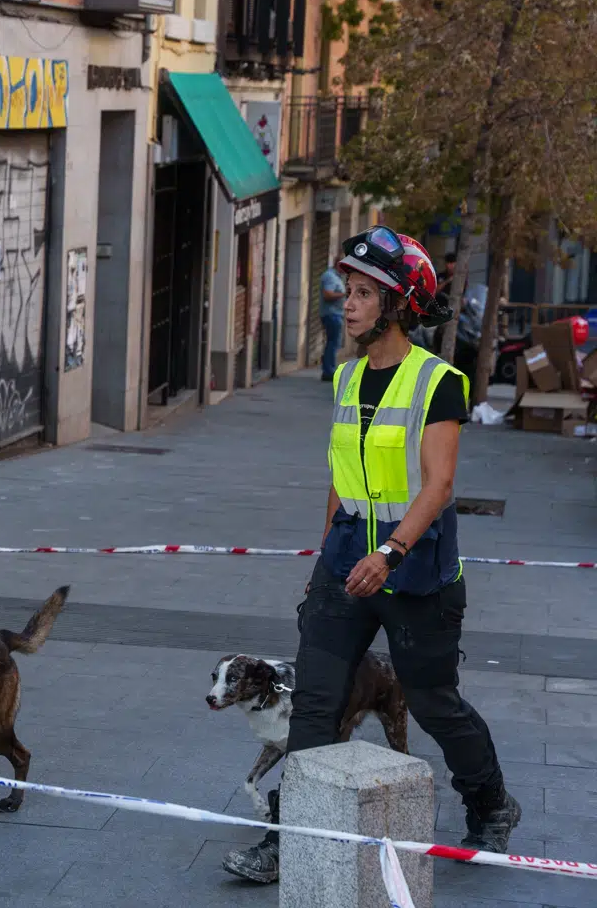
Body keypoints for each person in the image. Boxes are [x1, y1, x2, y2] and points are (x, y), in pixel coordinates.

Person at [222, 227, 521, 885]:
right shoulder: (348, 374)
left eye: (362, 293)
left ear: (397, 305)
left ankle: (492, 802)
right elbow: (339, 474)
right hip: (345, 566)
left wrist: (388, 553)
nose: (347, 303)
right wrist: (322, 564)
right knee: (314, 704)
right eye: (347, 290)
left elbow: (439, 484)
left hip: (416, 574)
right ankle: (286, 833)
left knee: (432, 700)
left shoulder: (438, 382)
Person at [319, 261, 346, 381]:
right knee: (333, 343)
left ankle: (328, 369)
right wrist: (344, 294)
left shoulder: (336, 277)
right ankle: (329, 371)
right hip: (331, 314)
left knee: (333, 342)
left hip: (336, 314)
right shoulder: (330, 276)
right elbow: (327, 294)